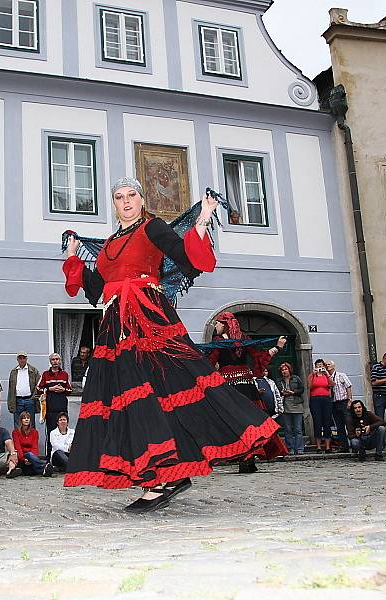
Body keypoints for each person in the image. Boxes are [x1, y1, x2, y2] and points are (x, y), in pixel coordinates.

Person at [62, 177, 280, 512]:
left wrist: (203, 219)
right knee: (135, 399)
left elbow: (188, 260)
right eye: (119, 196)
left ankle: (170, 474)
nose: (125, 201)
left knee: (169, 386)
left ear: (141, 198)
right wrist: (76, 259)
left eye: (131, 194)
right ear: (114, 203)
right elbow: (97, 291)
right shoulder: (108, 245)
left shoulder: (152, 228)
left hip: (147, 316)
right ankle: (164, 474)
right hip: (116, 324)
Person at [207, 312, 288, 472]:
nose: (215, 326)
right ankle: (249, 458)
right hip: (248, 383)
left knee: (233, 421)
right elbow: (260, 357)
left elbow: (210, 362)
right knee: (252, 420)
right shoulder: (244, 339)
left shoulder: (218, 342)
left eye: (217, 323)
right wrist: (277, 347)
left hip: (229, 385)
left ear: (224, 324)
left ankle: (243, 456)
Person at [36, 353, 72, 456]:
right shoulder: (45, 374)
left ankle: (65, 457)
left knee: (64, 432)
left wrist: (63, 389)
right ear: (50, 361)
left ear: (60, 361)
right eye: (53, 359)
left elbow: (70, 389)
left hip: (62, 408)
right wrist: (49, 389)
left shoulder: (65, 374)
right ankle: (49, 459)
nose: (55, 361)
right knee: (51, 433)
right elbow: (38, 389)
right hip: (50, 409)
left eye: (57, 359)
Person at [274, 362, 305, 455]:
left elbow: (302, 389)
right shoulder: (279, 381)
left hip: (297, 405)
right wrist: (283, 392)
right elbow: (277, 391)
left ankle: (299, 449)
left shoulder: (296, 378)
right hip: (285, 406)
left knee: (298, 429)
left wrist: (293, 392)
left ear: (289, 370)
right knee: (288, 429)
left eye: (286, 369)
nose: (284, 371)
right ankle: (290, 448)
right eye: (282, 370)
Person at [307, 358, 334, 453]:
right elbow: (309, 386)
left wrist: (327, 374)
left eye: (321, 365)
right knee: (317, 422)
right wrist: (313, 374)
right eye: (318, 365)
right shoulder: (312, 375)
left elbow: (332, 384)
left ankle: (327, 446)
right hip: (315, 400)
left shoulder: (326, 375)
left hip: (326, 399)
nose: (320, 367)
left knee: (327, 422)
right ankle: (318, 446)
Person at [326, 360, 353, 452]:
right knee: (339, 426)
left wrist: (349, 400)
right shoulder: (326, 377)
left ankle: (354, 444)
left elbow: (348, 387)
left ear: (333, 366)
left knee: (348, 423)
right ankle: (344, 446)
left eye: (328, 364)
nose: (327, 366)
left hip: (343, 402)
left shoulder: (341, 375)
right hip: (334, 403)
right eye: (326, 365)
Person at [8, 352, 40, 429]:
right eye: (20, 358)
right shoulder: (13, 372)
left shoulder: (33, 370)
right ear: (17, 359)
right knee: (18, 423)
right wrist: (10, 403)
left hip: (30, 400)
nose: (22, 360)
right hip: (17, 401)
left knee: (31, 423)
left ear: (26, 359)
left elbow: (38, 385)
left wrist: (33, 397)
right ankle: (18, 441)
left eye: (24, 358)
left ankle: (31, 441)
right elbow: (11, 389)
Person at [12, 411, 46, 476]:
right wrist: (23, 459)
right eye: (24, 418)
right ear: (21, 420)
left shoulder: (34, 432)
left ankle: (43, 470)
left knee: (30, 469)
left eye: (28, 418)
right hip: (21, 457)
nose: (26, 419)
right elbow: (18, 447)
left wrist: (32, 459)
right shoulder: (15, 432)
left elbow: (35, 447)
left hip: (32, 458)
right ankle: (44, 467)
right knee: (29, 457)